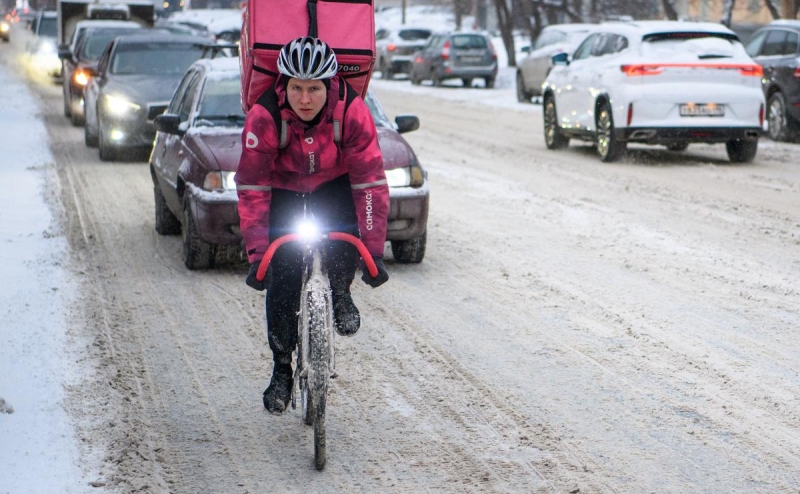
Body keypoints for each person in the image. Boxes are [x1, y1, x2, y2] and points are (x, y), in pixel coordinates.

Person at [235, 36, 390, 414]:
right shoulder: (265, 115)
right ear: (283, 85)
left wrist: (370, 251)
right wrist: (259, 256)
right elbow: (253, 188)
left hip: (331, 184)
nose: (305, 99)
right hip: (284, 190)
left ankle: (339, 291)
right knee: (283, 274)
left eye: (315, 89)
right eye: (297, 88)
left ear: (330, 85)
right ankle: (281, 369)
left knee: (342, 236)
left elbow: (369, 183)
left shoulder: (351, 112)